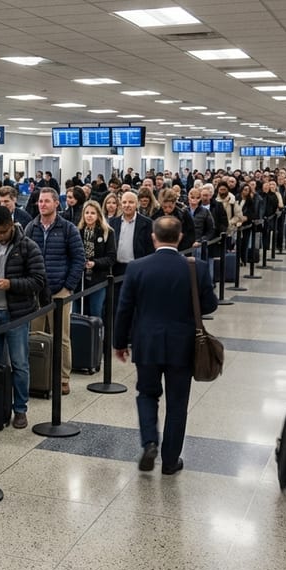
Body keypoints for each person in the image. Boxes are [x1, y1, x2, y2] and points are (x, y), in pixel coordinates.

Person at [114, 216, 218, 476]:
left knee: (147, 394)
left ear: (153, 237)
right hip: (183, 346)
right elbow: (210, 305)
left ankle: (150, 442)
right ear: (181, 237)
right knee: (177, 403)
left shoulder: (137, 268)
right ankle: (170, 461)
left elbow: (124, 309)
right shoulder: (197, 268)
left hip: (146, 343)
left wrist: (119, 342)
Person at [0, 205, 46, 429]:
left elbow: (37, 280)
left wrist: (11, 284)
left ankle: (20, 409)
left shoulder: (28, 247)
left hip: (16, 314)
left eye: (2, 232)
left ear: (11, 226)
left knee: (19, 363)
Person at [25, 188, 86, 395]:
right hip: (35, 292)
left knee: (61, 336)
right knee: (34, 336)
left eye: (46, 201)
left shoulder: (68, 229)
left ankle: (63, 378)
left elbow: (79, 259)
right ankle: (37, 377)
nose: (42, 205)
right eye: (40, 201)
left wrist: (68, 286)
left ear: (56, 204)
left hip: (59, 290)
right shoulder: (31, 227)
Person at [78, 200, 116, 318]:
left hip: (98, 279)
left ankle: (98, 336)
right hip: (80, 281)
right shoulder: (77, 231)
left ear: (98, 215)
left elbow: (111, 258)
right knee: (78, 312)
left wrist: (95, 263)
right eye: (87, 213)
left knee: (96, 311)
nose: (89, 215)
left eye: (93, 213)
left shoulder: (107, 232)